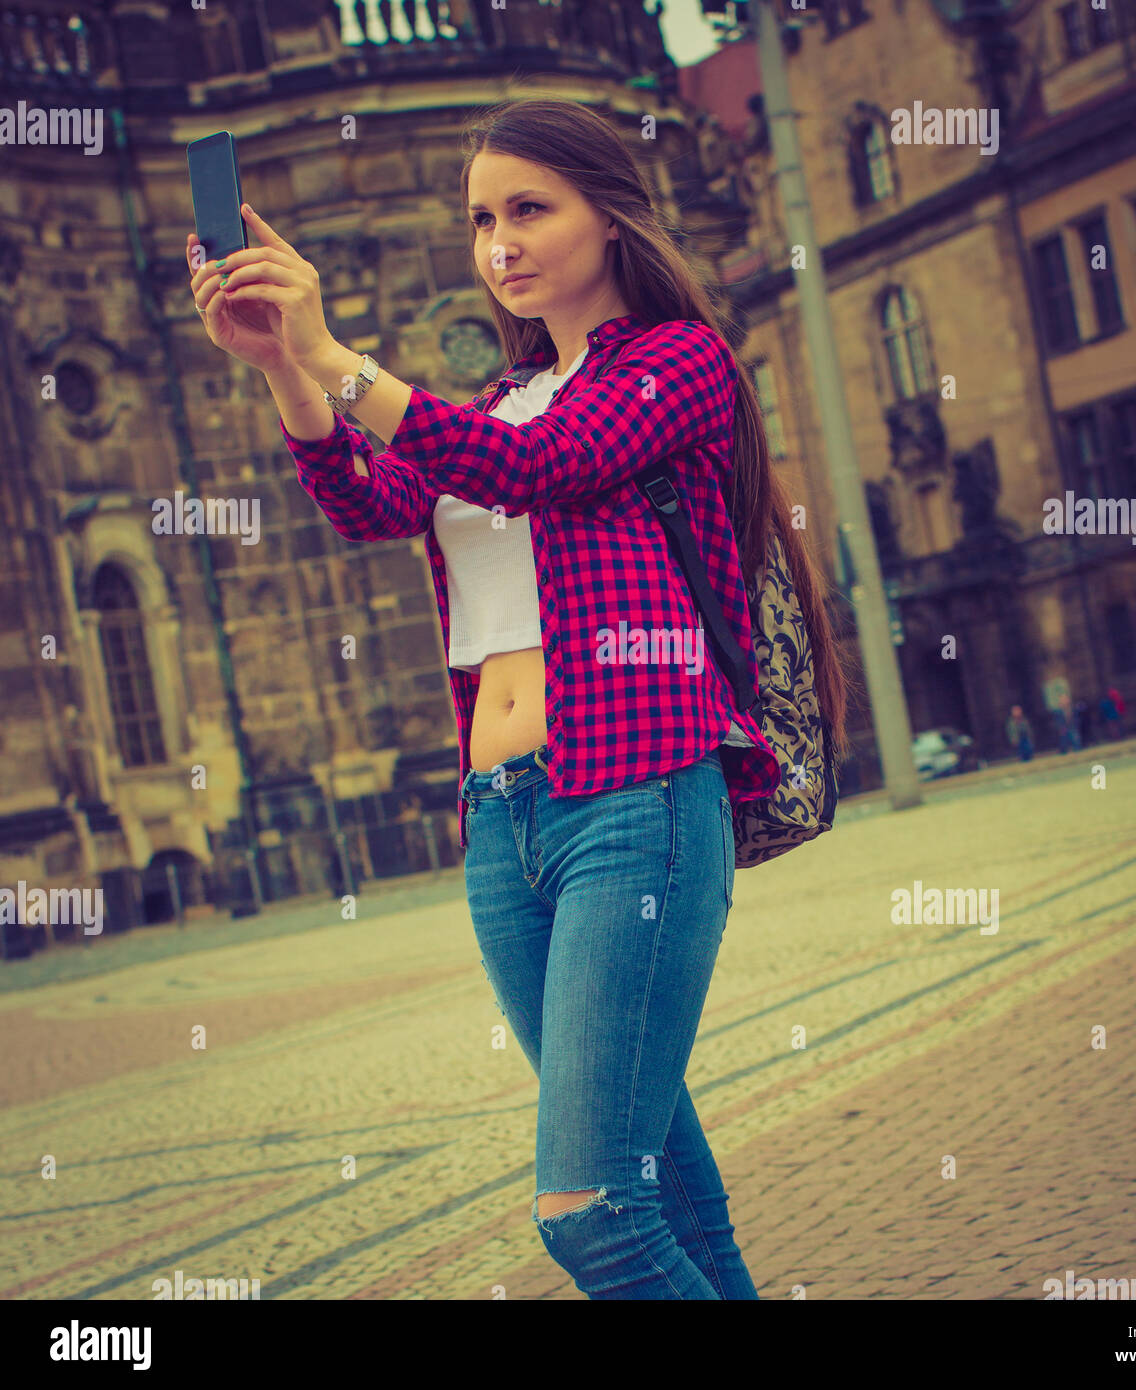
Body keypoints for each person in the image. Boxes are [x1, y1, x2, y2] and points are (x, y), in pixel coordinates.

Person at [187, 96, 853, 1301]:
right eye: (481, 217)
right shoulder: (495, 398)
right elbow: (366, 502)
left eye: (530, 210)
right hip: (503, 820)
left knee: (591, 1212)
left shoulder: (675, 366)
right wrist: (285, 365)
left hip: (636, 791)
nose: (500, 241)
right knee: (670, 1202)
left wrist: (339, 352)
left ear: (610, 215)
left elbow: (540, 472)